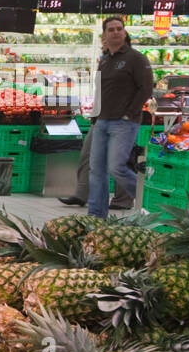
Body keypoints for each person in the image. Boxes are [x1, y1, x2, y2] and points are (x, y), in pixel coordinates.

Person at [89, 17, 153, 218]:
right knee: (97, 171)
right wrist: (94, 116)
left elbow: (146, 88)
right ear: (105, 35)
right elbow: (99, 90)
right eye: (111, 29)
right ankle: (96, 216)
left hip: (124, 123)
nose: (116, 32)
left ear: (124, 33)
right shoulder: (105, 60)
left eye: (119, 29)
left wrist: (130, 113)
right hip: (102, 122)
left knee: (116, 167)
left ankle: (150, 199)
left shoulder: (136, 58)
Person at [59, 38, 110, 207]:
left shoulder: (128, 62)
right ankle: (81, 194)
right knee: (87, 156)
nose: (104, 43)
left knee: (117, 163)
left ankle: (123, 198)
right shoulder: (105, 62)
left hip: (118, 121)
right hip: (100, 118)